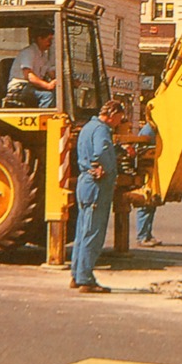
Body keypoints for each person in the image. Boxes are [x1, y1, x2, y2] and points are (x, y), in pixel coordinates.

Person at [71, 99, 125, 293]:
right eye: (119, 117)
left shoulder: (87, 127)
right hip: (97, 185)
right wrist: (105, 167)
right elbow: (100, 151)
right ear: (112, 114)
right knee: (93, 232)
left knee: (82, 230)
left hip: (84, 183)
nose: (120, 122)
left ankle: (76, 274)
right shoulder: (102, 130)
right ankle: (86, 278)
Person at [7, 25, 57, 108]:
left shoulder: (43, 56)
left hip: (32, 87)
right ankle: (44, 118)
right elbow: (29, 76)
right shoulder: (29, 52)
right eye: (49, 40)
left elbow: (52, 74)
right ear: (39, 39)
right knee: (47, 96)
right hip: (20, 88)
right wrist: (47, 85)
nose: (50, 43)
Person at [134, 117, 162, 247]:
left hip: (151, 170)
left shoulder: (153, 128)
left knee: (151, 204)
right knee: (146, 203)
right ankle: (143, 236)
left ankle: (147, 234)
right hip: (147, 171)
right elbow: (142, 149)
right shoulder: (149, 130)